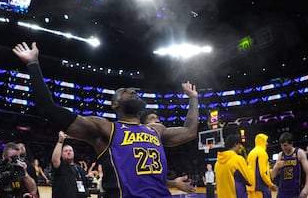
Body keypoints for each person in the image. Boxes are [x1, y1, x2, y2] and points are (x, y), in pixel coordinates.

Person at [12, 42, 199, 198]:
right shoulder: (106, 129)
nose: (133, 91)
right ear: (115, 104)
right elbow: (49, 109)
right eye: (126, 91)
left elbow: (190, 131)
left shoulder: (156, 130)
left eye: (134, 90)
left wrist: (193, 98)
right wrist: (33, 64)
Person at [140, 110, 196, 193]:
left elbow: (190, 131)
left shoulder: (159, 139)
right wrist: (174, 183)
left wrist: (193, 98)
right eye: (152, 118)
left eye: (157, 118)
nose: (157, 121)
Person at [51, 131, 90, 198]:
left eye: (70, 150)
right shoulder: (60, 166)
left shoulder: (78, 168)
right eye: (66, 151)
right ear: (61, 154)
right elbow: (55, 160)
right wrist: (60, 141)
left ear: (73, 153)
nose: (68, 152)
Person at [271, 132, 308, 198]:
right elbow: (272, 176)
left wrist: (306, 189)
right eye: (281, 145)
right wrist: (276, 167)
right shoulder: (280, 155)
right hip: (282, 192)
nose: (283, 148)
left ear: (291, 143)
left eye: (285, 145)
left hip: (296, 192)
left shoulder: (299, 153)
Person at [247, 133, 277, 198]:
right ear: (262, 141)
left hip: (251, 188)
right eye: (266, 141)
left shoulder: (251, 153)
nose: (267, 143)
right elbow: (263, 172)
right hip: (261, 188)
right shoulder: (262, 153)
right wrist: (271, 185)